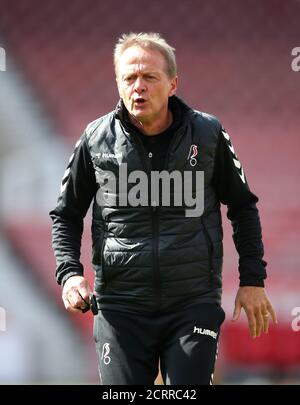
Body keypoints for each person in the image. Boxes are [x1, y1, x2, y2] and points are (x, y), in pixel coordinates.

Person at [50, 32, 277, 385]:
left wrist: (252, 280)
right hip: (120, 307)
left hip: (191, 302)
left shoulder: (208, 134)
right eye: (129, 78)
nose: (138, 86)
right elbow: (65, 214)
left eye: (149, 77)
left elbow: (243, 207)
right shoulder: (95, 139)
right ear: (118, 83)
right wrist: (69, 274)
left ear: (172, 84)